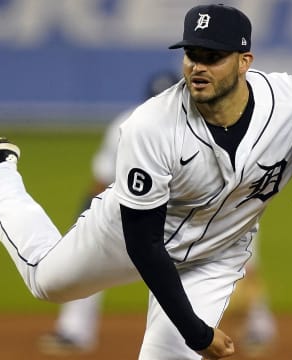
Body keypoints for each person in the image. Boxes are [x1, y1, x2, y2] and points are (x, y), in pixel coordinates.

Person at [0, 4, 292, 360]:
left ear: (244, 62)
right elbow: (145, 246)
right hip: (130, 232)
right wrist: (197, 332)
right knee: (47, 283)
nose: (197, 67)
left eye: (212, 57)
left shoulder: (291, 101)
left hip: (218, 251)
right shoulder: (149, 127)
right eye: (192, 54)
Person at [38, 70, 277, 356]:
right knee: (90, 264)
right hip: (136, 214)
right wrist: (86, 226)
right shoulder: (130, 125)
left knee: (243, 261)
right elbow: (100, 183)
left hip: (201, 216)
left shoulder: (209, 124)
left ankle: (259, 328)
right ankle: (74, 330)